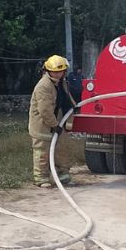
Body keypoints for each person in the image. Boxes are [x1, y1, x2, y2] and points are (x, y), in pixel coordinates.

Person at [28, 55, 76, 188]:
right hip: (43, 125)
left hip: (57, 122)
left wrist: (73, 110)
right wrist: (55, 125)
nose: (58, 74)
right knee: (42, 153)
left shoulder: (61, 82)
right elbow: (45, 111)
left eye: (61, 71)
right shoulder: (43, 86)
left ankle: (63, 177)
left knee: (61, 151)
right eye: (55, 71)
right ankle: (41, 179)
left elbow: (67, 99)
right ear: (48, 70)